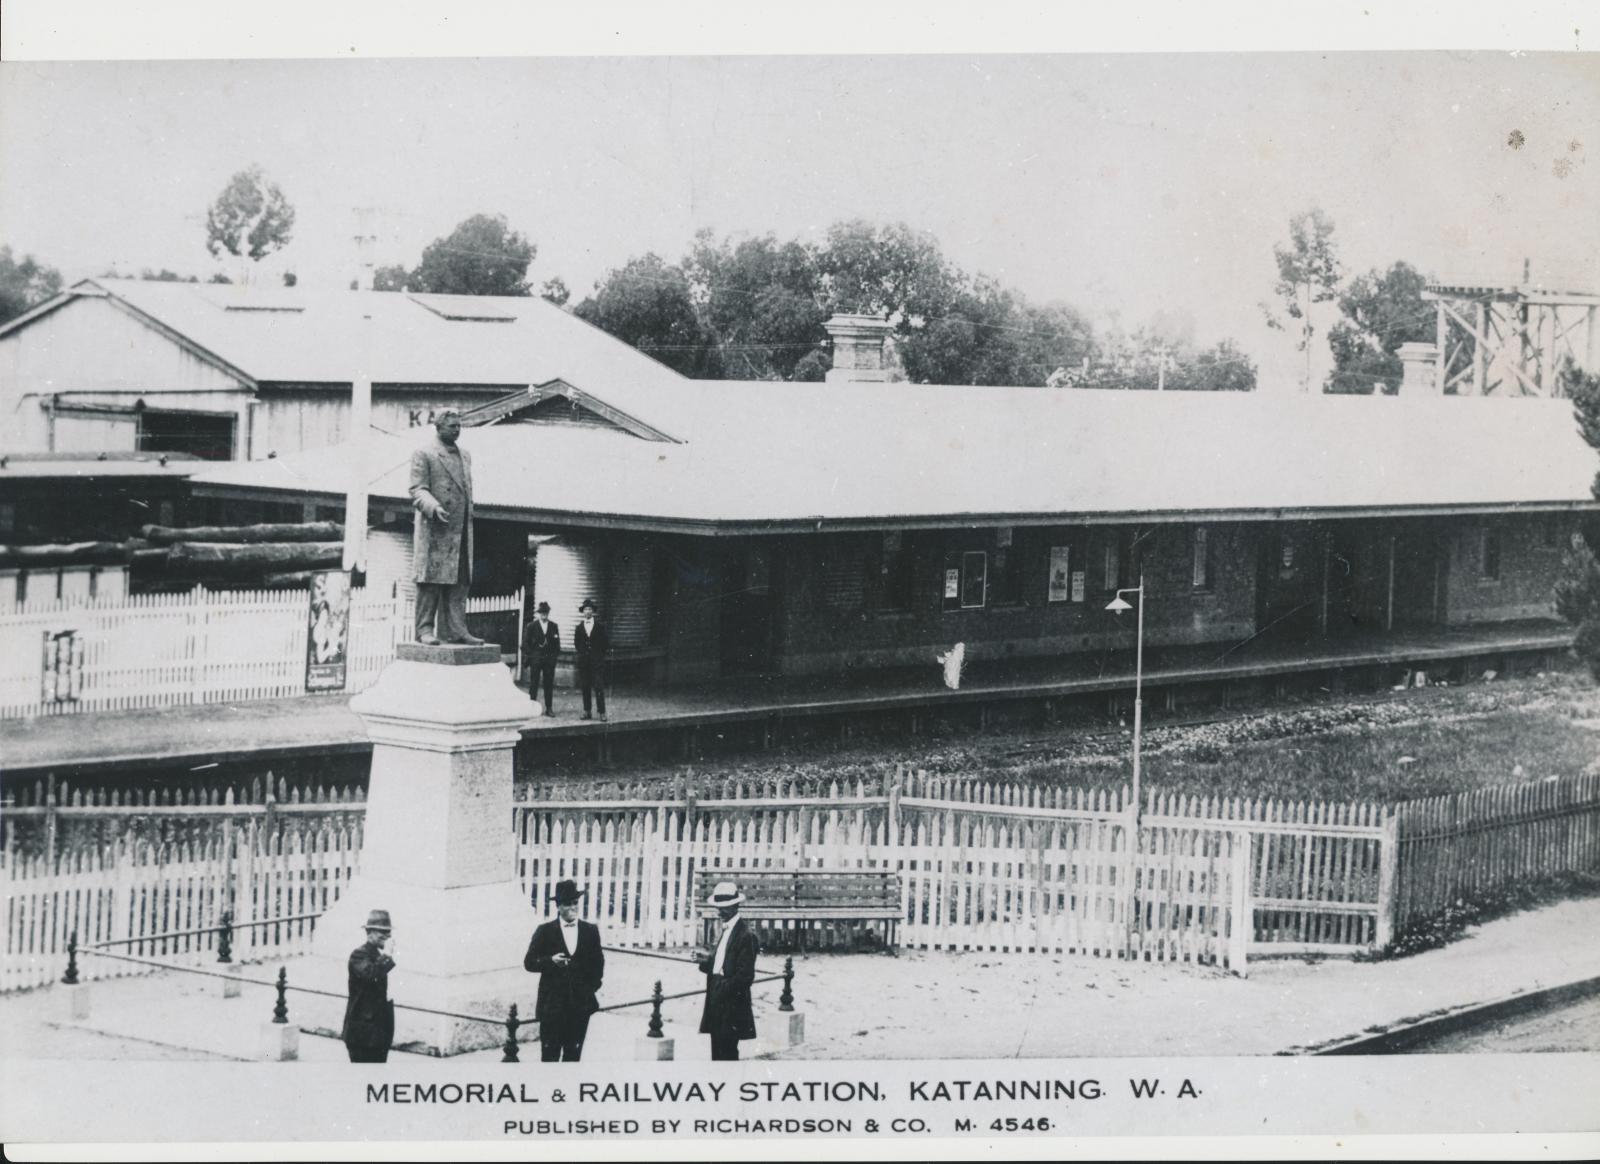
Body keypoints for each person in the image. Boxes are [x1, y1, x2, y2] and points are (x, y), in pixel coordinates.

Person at [409, 412, 485, 647]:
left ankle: (457, 630)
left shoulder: (465, 455)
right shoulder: (425, 453)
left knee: (460, 581)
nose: (457, 430)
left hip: (460, 530)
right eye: (452, 426)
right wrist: (433, 506)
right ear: (438, 427)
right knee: (430, 582)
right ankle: (424, 630)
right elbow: (417, 489)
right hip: (436, 529)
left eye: (459, 426)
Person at [523, 880, 604, 1062]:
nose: (573, 908)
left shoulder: (590, 931)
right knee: (550, 1056)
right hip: (553, 1006)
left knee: (573, 1055)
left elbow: (598, 964)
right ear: (558, 907)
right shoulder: (545, 931)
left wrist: (589, 989)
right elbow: (529, 963)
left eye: (575, 903)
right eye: (567, 904)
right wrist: (551, 961)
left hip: (580, 1006)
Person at [696, 880, 758, 1061]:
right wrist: (704, 963)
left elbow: (745, 976)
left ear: (736, 906)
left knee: (728, 1052)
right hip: (717, 999)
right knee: (717, 1051)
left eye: (725, 907)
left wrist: (721, 987)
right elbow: (722, 963)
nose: (720, 911)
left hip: (731, 1004)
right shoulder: (726, 931)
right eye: (718, 907)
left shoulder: (746, 936)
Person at [341, 909, 396, 1063]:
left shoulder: (378, 956)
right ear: (369, 932)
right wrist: (388, 956)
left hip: (379, 1034)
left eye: (388, 932)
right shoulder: (359, 955)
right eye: (382, 932)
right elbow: (371, 975)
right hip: (362, 1034)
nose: (387, 936)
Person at [573, 598, 609, 721]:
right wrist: (583, 655)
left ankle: (602, 712)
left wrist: (598, 655)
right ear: (583, 612)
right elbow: (577, 644)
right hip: (584, 662)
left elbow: (605, 643)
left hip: (596, 661)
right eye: (585, 609)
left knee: (598, 686)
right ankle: (587, 711)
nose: (587, 612)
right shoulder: (579, 628)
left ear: (593, 612)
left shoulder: (600, 626)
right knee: (585, 686)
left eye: (590, 609)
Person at [524, 600, 560, 715]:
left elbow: (557, 645)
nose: (544, 614)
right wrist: (532, 656)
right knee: (534, 683)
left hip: (549, 660)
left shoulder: (554, 626)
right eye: (542, 612)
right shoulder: (531, 626)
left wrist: (553, 658)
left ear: (548, 613)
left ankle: (549, 708)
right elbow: (525, 644)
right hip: (536, 659)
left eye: (546, 612)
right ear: (538, 613)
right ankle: (531, 708)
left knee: (548, 683)